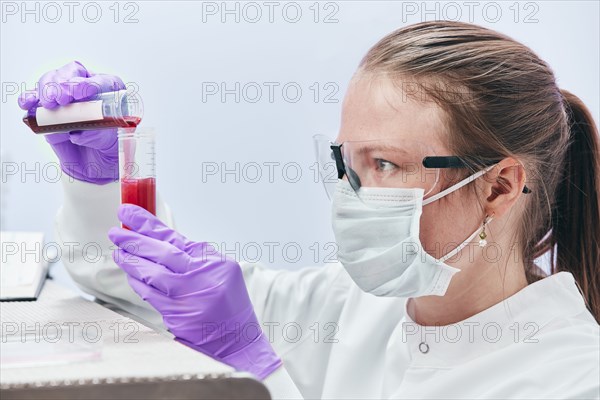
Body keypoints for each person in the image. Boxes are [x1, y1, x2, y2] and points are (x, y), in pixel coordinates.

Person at [18, 21, 599, 399]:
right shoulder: (349, 306)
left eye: (387, 165)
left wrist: (259, 369)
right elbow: (143, 293)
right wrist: (99, 182)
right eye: (349, 164)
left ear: (498, 188)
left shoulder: (569, 379)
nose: (354, 195)